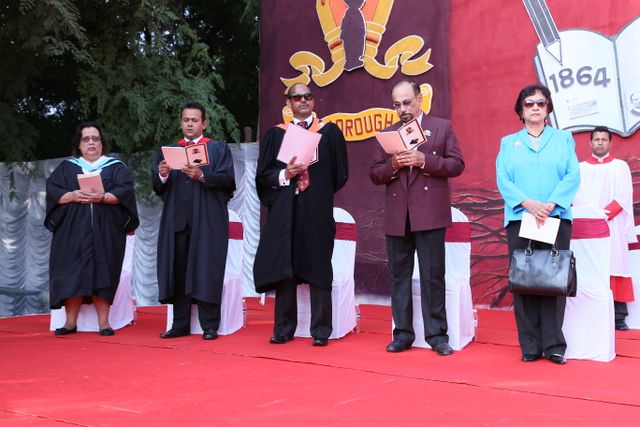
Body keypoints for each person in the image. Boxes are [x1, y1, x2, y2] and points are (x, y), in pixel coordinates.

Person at [369, 79, 465, 355]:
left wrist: (426, 161)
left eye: (407, 102)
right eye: (397, 105)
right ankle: (402, 334)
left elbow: (457, 165)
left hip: (430, 214)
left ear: (420, 99)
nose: (403, 109)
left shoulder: (441, 127)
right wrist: (392, 165)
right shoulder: (387, 134)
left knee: (432, 276)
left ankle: (437, 336)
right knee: (398, 276)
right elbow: (374, 174)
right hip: (398, 215)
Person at [253, 83, 349, 346]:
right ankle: (284, 328)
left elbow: (340, 173)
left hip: (316, 209)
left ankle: (320, 330)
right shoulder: (276, 134)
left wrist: (319, 192)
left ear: (313, 100)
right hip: (286, 208)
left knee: (319, 264)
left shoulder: (328, 132)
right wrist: (285, 174)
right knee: (286, 265)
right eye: (297, 97)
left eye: (307, 96)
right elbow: (263, 175)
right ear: (289, 103)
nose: (303, 101)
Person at [496, 84, 580, 364]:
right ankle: (530, 345)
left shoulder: (563, 139)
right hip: (521, 217)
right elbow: (503, 179)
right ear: (520, 110)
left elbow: (572, 175)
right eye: (529, 103)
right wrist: (528, 204)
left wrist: (551, 204)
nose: (535, 107)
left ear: (548, 109)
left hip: (555, 217)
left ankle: (554, 345)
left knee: (554, 280)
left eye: (540, 103)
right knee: (525, 280)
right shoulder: (509, 143)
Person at [45, 122, 139, 336]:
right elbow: (53, 192)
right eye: (86, 139)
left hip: (105, 231)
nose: (91, 143)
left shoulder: (115, 167)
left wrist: (102, 197)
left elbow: (124, 193)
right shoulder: (66, 167)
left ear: (101, 143)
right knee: (72, 272)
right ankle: (70, 323)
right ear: (79, 144)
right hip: (72, 231)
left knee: (103, 272)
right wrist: (71, 195)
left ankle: (104, 323)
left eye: (95, 139)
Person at [151, 101, 235, 340]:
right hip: (177, 221)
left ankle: (209, 325)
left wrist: (202, 175)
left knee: (207, 269)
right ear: (181, 123)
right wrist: (162, 175)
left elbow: (228, 180)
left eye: (194, 120)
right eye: (186, 120)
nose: (190, 124)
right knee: (178, 270)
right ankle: (180, 324)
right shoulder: (169, 151)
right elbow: (158, 187)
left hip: (207, 220)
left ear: (204, 123)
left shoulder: (217, 149)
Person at [573, 126, 637, 330]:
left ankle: (619, 317)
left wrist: (605, 214)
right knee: (591, 267)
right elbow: (577, 196)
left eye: (603, 139)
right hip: (590, 226)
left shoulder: (620, 167)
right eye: (596, 139)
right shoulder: (581, 168)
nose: (600, 143)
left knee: (615, 263)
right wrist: (593, 215)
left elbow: (623, 195)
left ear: (609, 142)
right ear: (590, 142)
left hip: (613, 224)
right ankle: (592, 314)